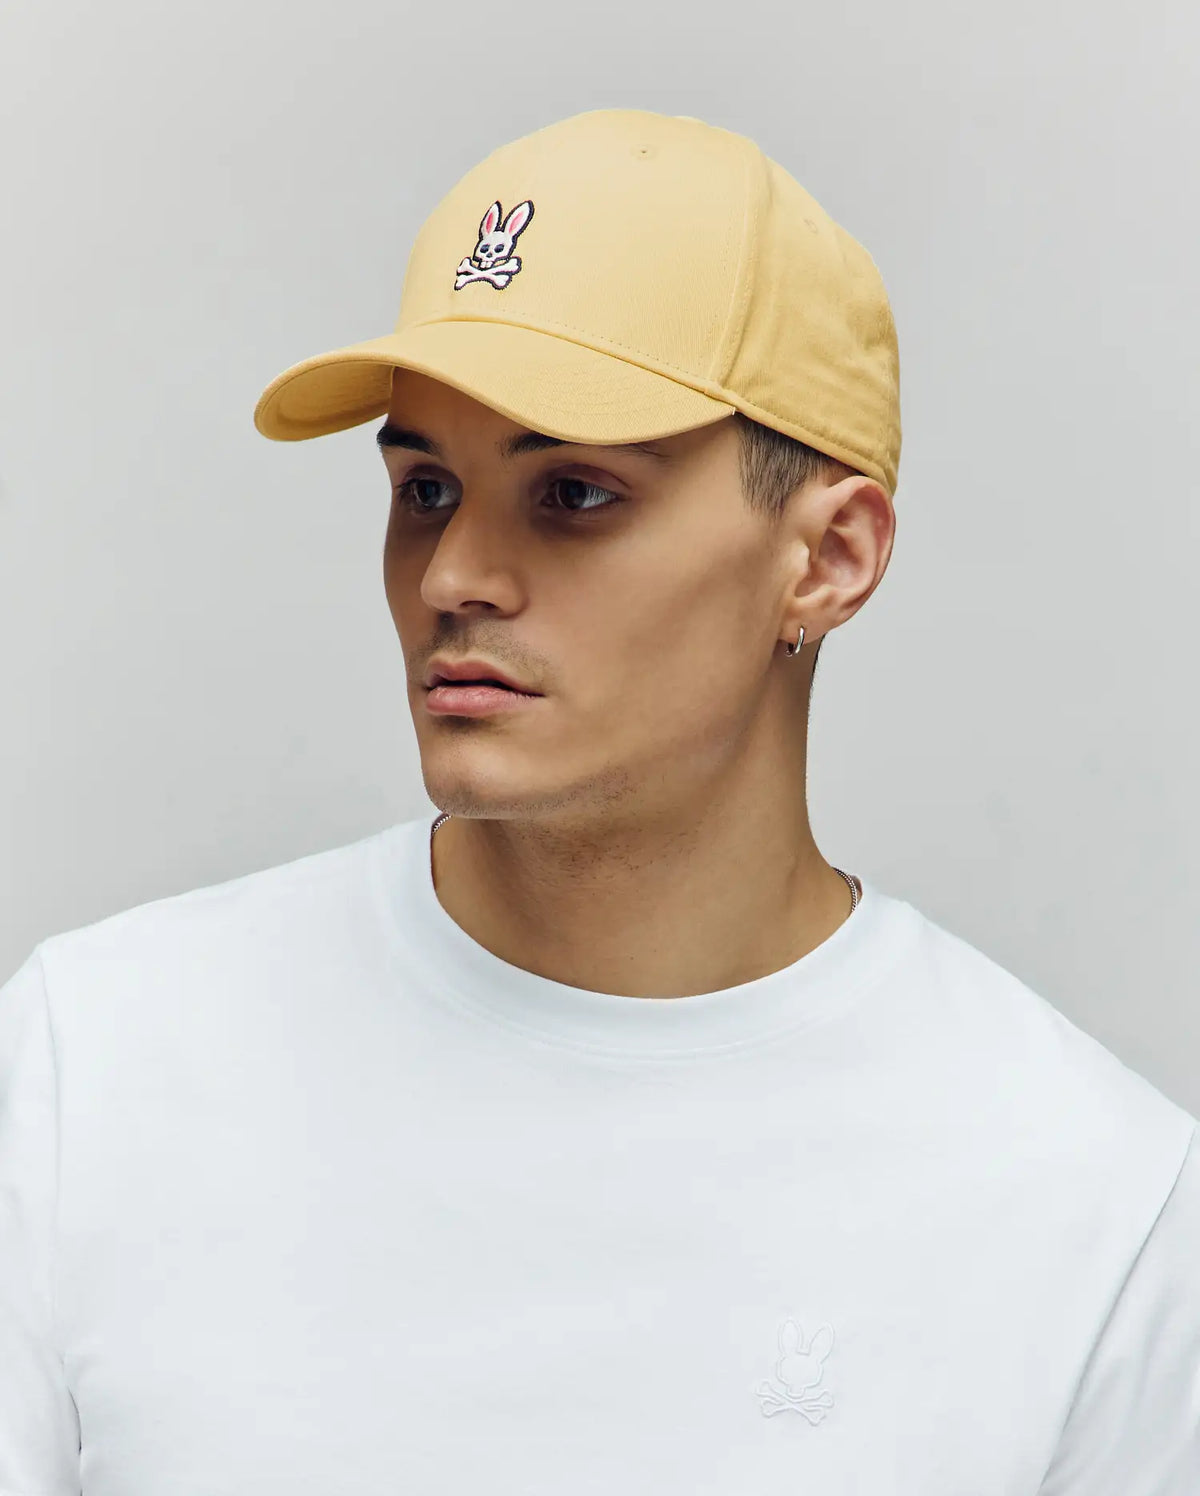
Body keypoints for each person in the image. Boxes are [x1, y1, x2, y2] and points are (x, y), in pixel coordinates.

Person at [1, 109, 1196, 1495]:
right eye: (425, 488)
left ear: (831, 559)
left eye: (571, 491)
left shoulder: (1094, 1208)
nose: (452, 575)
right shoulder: (93, 1066)